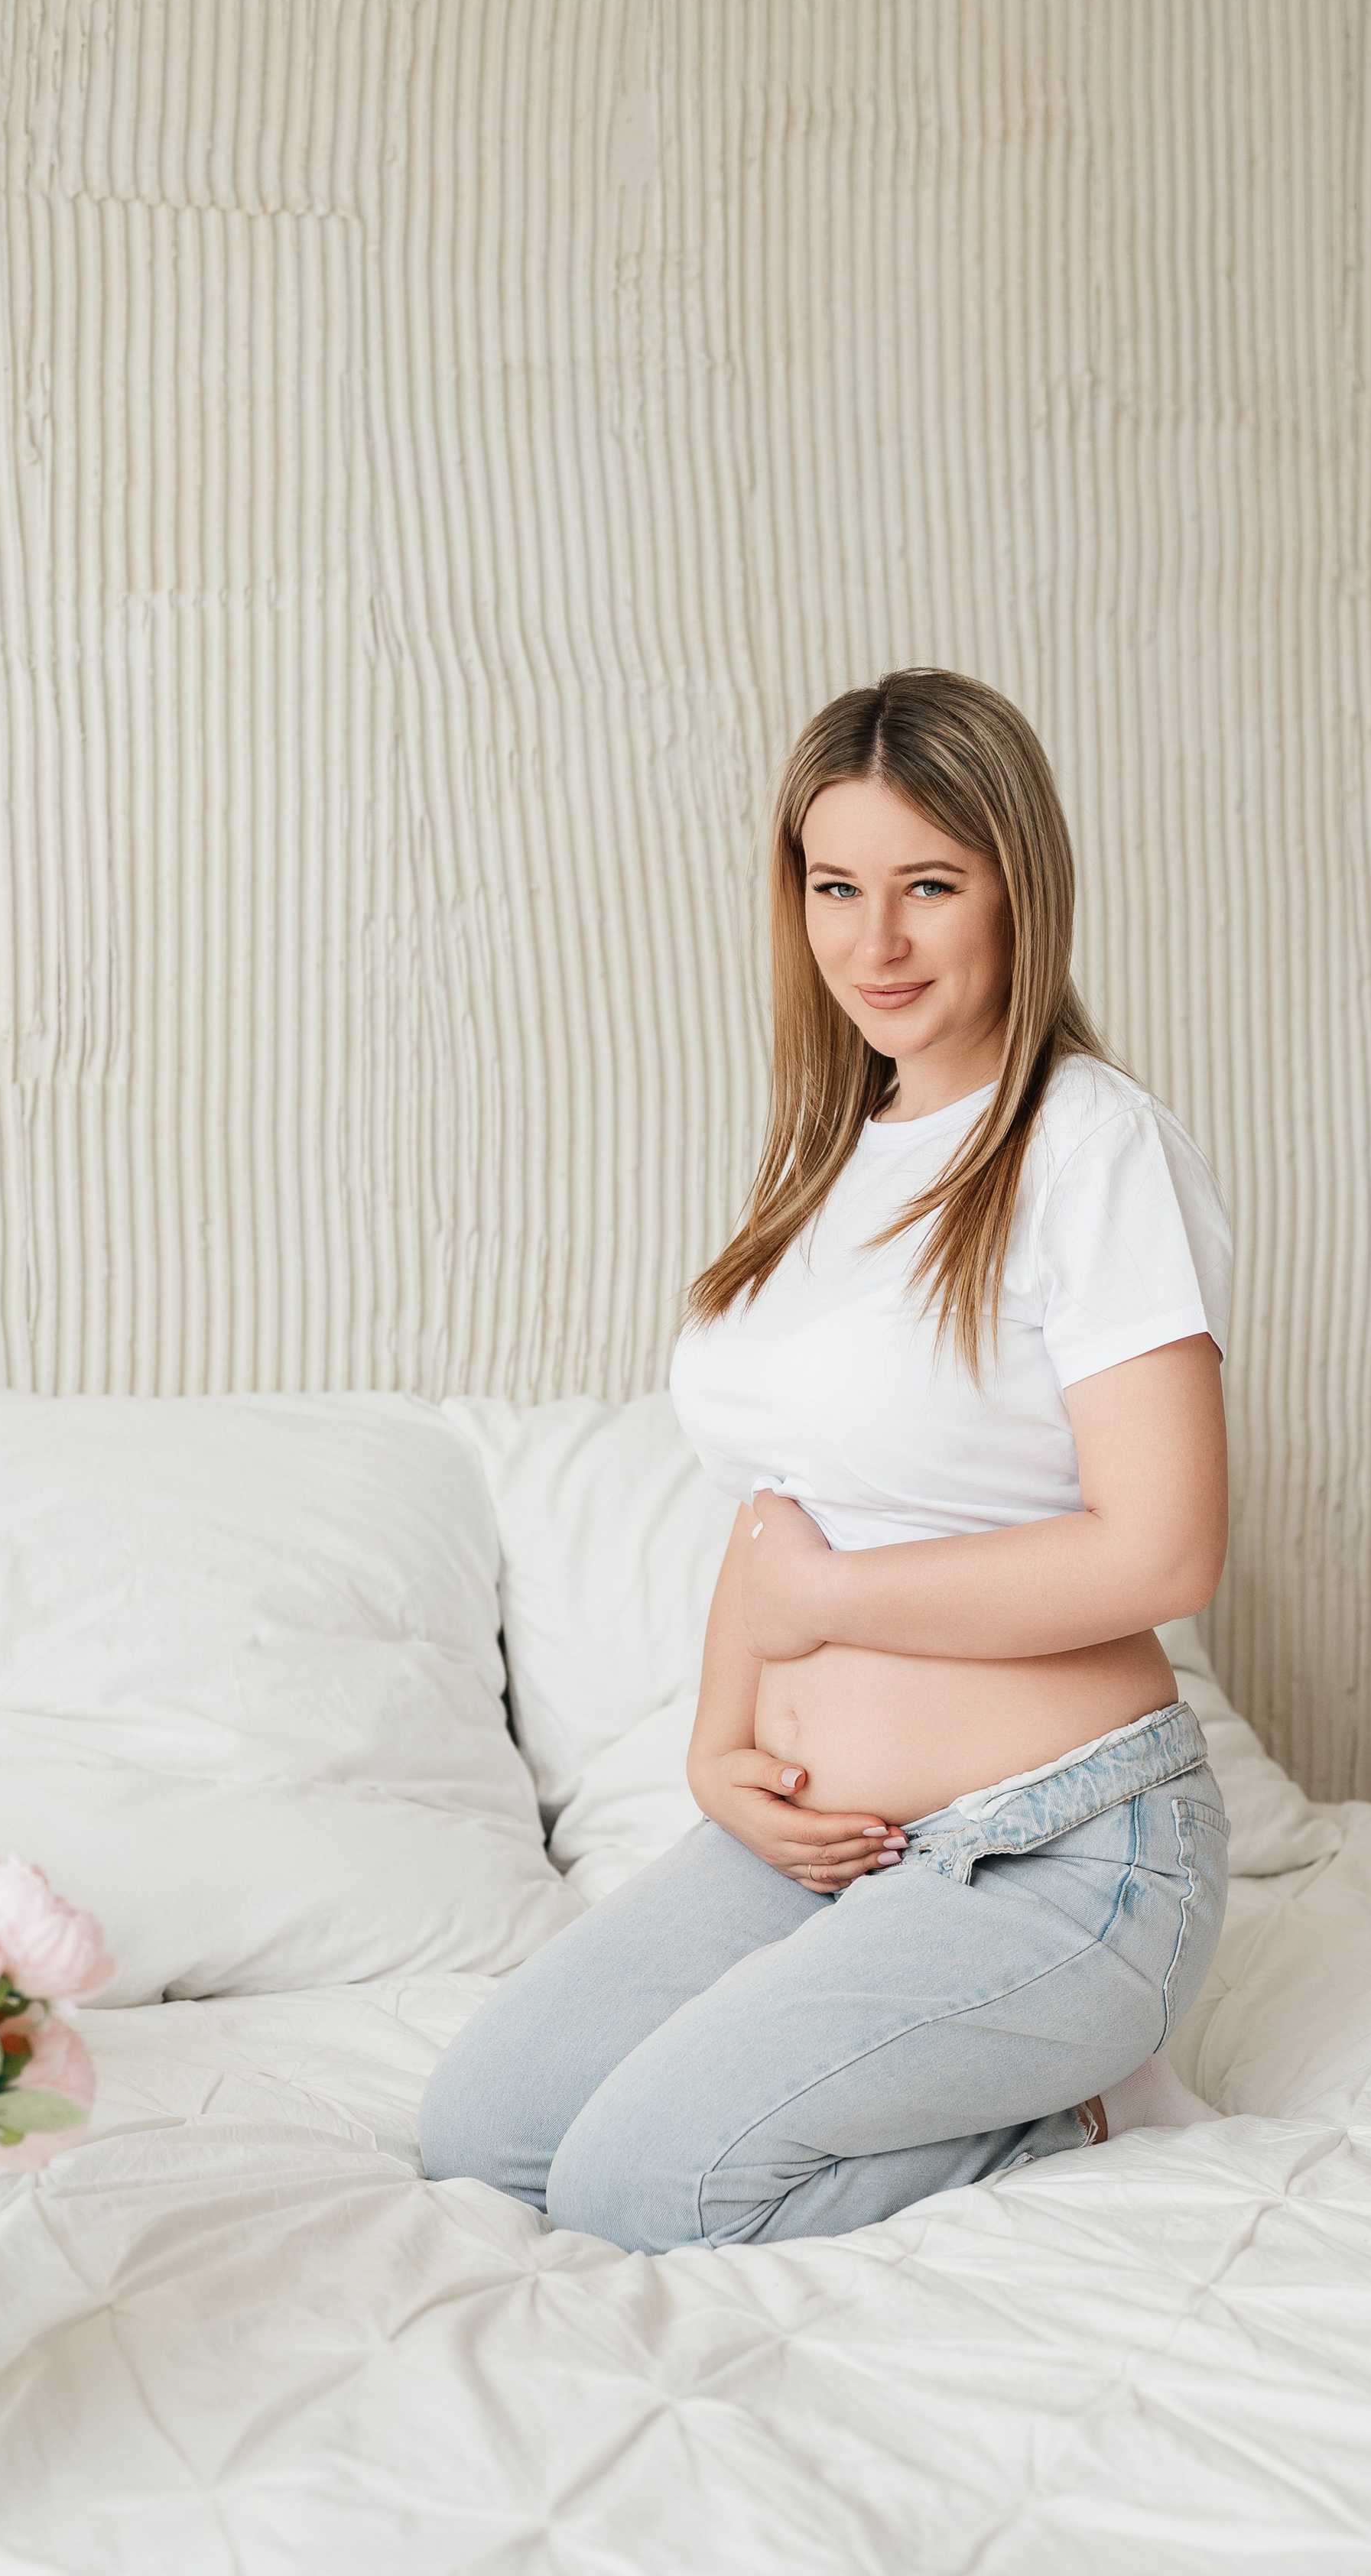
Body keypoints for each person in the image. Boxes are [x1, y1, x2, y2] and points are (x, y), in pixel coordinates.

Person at [420, 668, 1235, 2250]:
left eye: (928, 885)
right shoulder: (829, 1160)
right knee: (487, 2138)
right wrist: (721, 1746)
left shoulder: (1085, 1146)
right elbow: (774, 1508)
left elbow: (1158, 1554)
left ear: (1017, 887)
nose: (875, 942)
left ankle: (1078, 2107)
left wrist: (834, 1605)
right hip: (820, 1852)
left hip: (1062, 1851)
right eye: (833, 885)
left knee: (639, 2184)